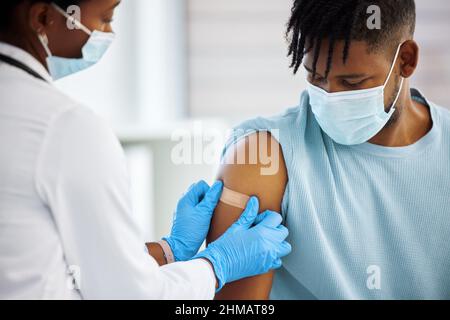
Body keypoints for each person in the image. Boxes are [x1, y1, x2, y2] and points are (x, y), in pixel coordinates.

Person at [0, 0, 292, 299]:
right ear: (43, 17)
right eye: (104, 18)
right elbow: (128, 294)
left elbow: (59, 260)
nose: (108, 32)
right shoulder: (64, 127)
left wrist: (169, 250)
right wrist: (217, 265)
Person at [208, 0, 450, 299]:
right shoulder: (262, 154)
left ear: (406, 60)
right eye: (316, 77)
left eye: (352, 82)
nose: (330, 97)